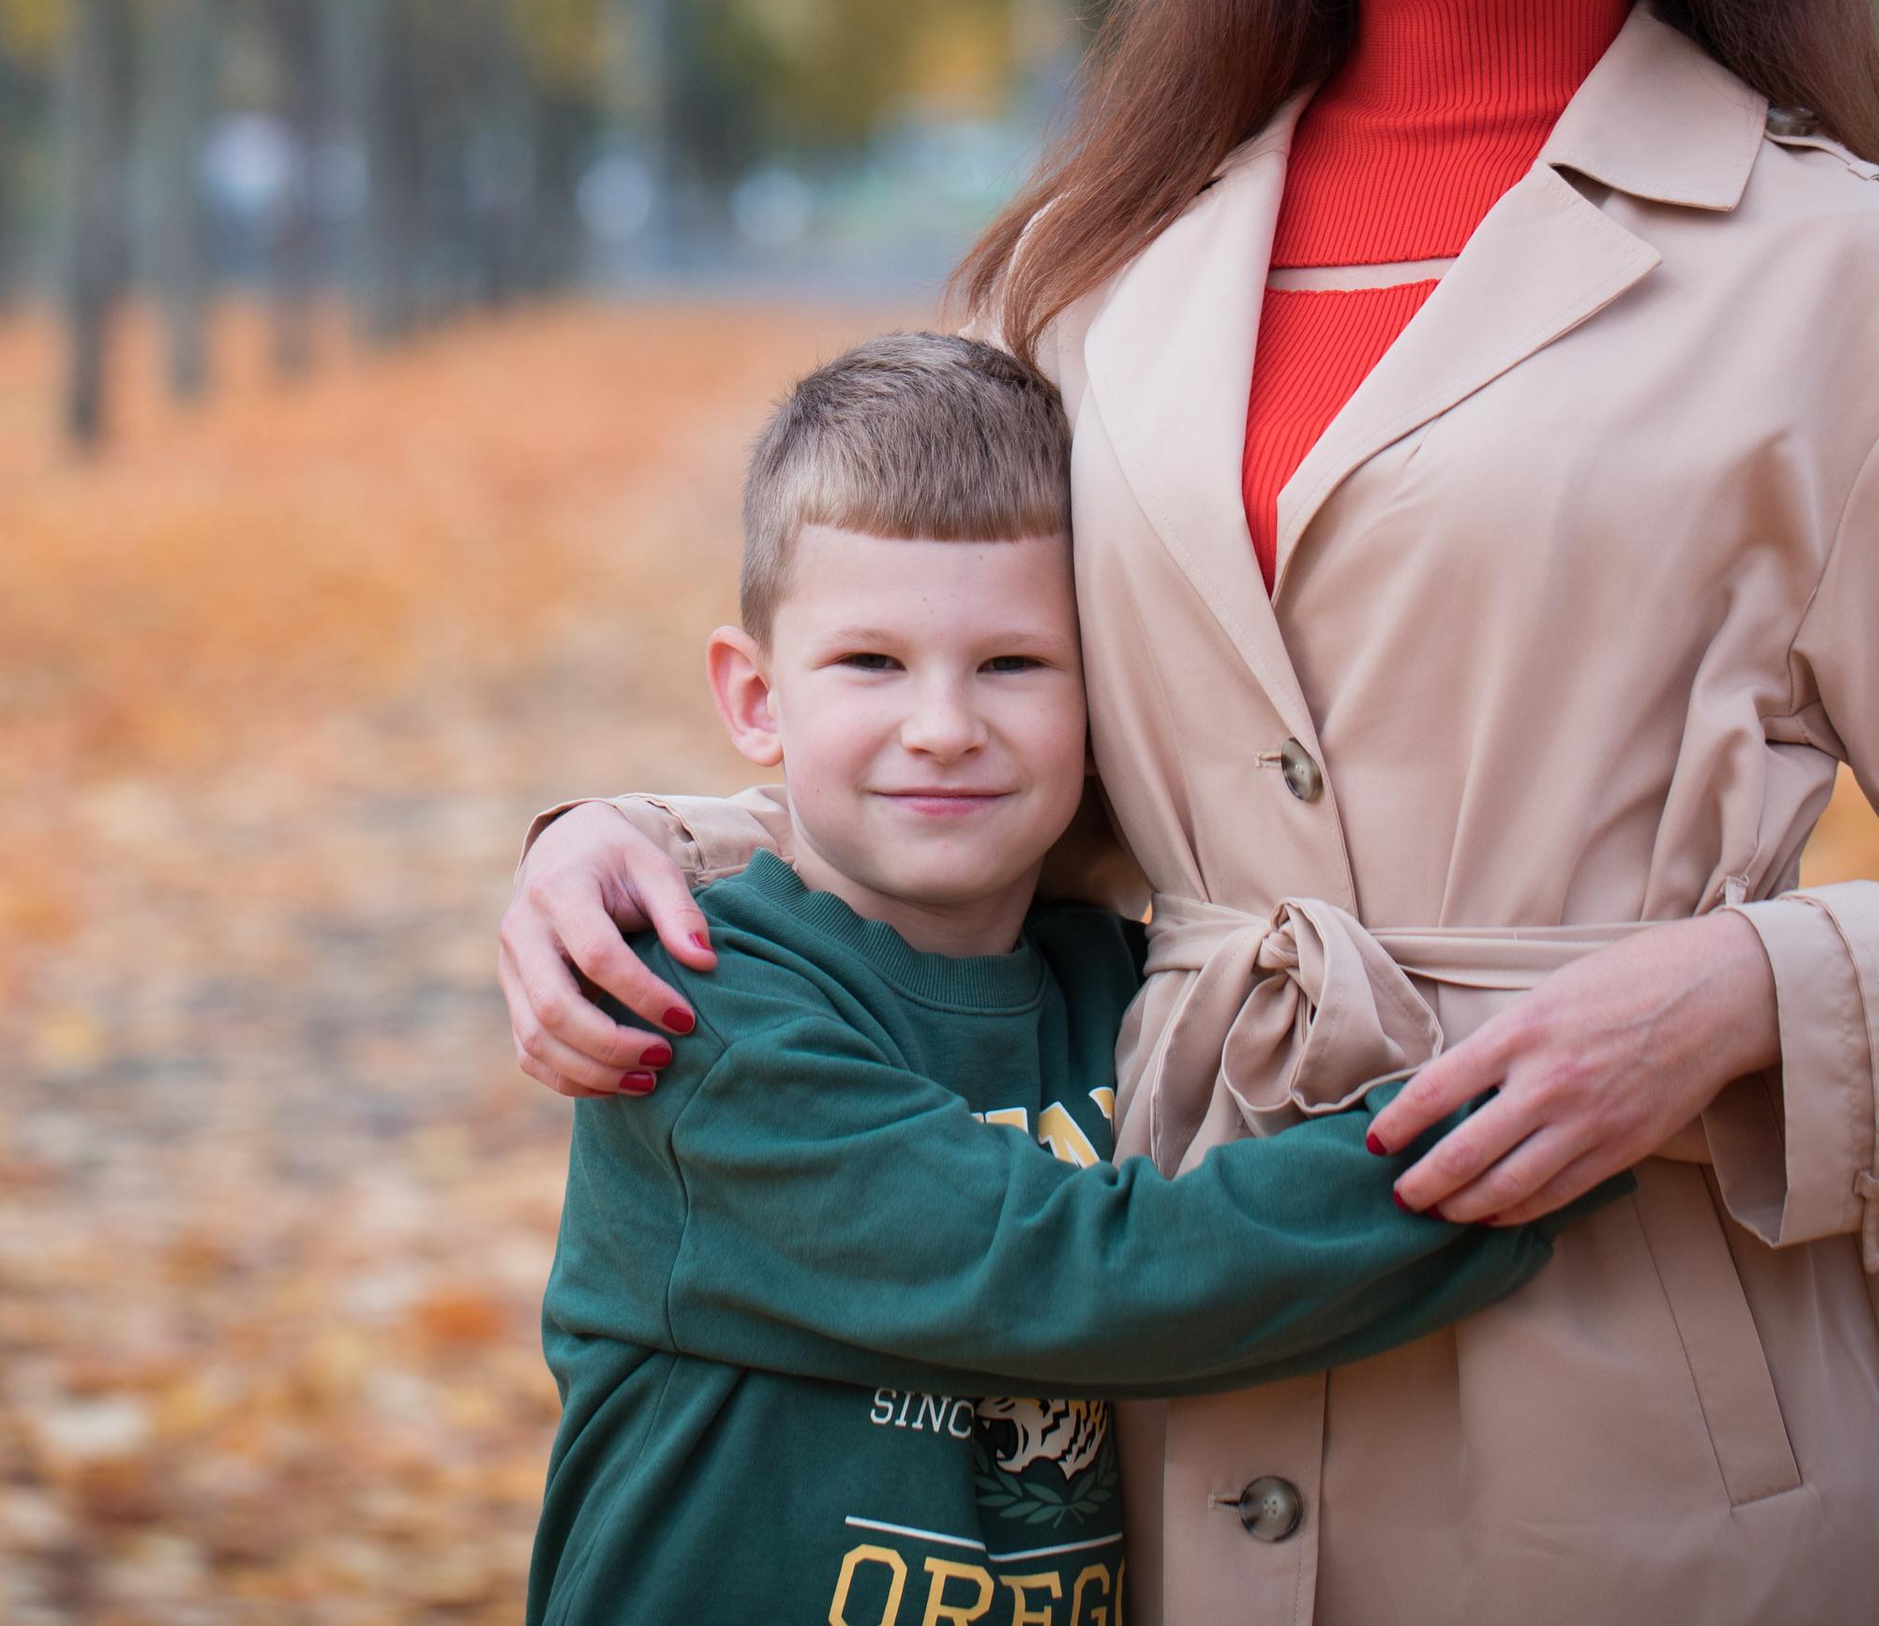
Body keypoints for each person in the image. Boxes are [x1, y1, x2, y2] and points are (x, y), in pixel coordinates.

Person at [500, 0, 1879, 1623]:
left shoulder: (1826, 275)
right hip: (1138, 1430)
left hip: (1644, 1427)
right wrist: (642, 846)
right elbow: (1016, 739)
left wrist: (1748, 987)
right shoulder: (1101, 261)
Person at [532, 332, 1606, 1626]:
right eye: (871, 663)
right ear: (756, 697)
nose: (943, 724)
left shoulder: (1128, 987)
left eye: (1015, 665)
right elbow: (1073, 1275)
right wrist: (1528, 1141)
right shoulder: (699, 1019)